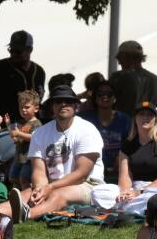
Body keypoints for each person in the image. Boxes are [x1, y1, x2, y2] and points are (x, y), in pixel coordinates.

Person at [25, 85, 104, 217]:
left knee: (58, 194)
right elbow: (39, 171)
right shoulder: (39, 133)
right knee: (26, 195)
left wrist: (50, 188)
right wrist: (40, 188)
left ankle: (26, 215)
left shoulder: (87, 130)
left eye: (68, 101)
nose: (63, 104)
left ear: (75, 106)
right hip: (52, 184)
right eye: (58, 101)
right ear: (52, 107)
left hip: (88, 185)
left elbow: (82, 174)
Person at [115, 100, 157, 214]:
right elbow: (125, 176)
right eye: (142, 114)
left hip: (155, 188)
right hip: (134, 188)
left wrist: (140, 192)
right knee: (100, 192)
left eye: (150, 115)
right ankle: (128, 206)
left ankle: (125, 208)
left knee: (150, 198)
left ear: (155, 119)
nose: (146, 118)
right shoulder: (127, 144)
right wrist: (124, 193)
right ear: (135, 118)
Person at [109, 40, 157, 122]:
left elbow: (103, 104)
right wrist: (146, 118)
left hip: (122, 132)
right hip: (147, 132)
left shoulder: (119, 77)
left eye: (119, 58)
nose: (119, 62)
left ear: (125, 57)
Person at [0, 31, 46, 119]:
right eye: (11, 50)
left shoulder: (39, 71)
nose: (13, 54)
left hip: (34, 124)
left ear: (30, 50)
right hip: (8, 125)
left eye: (18, 51)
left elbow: (39, 98)